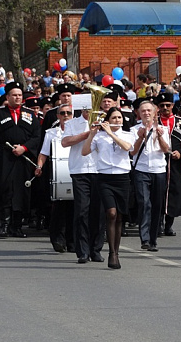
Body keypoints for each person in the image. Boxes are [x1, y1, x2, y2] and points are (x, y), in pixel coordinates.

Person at [0, 82, 41, 238]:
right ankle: (3, 225)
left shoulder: (30, 115)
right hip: (3, 158)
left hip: (23, 158)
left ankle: (16, 226)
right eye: (14, 95)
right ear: (7, 97)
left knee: (20, 191)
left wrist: (24, 148)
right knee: (4, 189)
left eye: (20, 95)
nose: (18, 98)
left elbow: (37, 137)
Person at [81, 107, 134, 269]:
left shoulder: (127, 134)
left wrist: (111, 133)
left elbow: (127, 148)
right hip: (104, 178)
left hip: (123, 178)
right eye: (114, 118)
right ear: (108, 120)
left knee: (119, 217)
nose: (117, 120)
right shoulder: (99, 137)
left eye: (119, 118)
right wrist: (92, 134)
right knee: (111, 213)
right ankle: (111, 252)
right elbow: (84, 152)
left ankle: (115, 252)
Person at [60, 104, 105, 262]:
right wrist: (88, 134)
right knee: (81, 210)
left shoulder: (104, 121)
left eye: (91, 108)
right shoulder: (72, 123)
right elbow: (65, 142)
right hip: (79, 170)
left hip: (100, 169)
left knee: (98, 212)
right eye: (86, 108)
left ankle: (96, 249)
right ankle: (82, 251)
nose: (88, 111)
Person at [36, 103, 77, 257]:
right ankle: (58, 240)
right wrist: (39, 166)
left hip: (75, 171)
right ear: (58, 116)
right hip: (58, 173)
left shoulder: (79, 132)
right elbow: (43, 153)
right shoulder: (51, 133)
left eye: (69, 113)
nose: (66, 116)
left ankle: (72, 241)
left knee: (75, 207)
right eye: (63, 113)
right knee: (59, 207)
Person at [131, 100, 171, 251]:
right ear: (139, 114)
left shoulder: (163, 129)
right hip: (141, 170)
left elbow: (166, 149)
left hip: (158, 170)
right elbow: (132, 152)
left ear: (155, 113)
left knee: (156, 205)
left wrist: (160, 136)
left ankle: (153, 239)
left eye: (149, 111)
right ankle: (145, 238)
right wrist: (140, 137)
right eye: (143, 111)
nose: (146, 113)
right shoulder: (134, 130)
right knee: (144, 203)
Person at [156, 93, 181, 236]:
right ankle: (158, 223)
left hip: (175, 164)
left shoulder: (179, 121)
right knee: (159, 192)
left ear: (172, 106)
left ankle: (168, 225)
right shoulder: (155, 122)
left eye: (168, 105)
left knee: (174, 193)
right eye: (162, 106)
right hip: (158, 162)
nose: (165, 108)